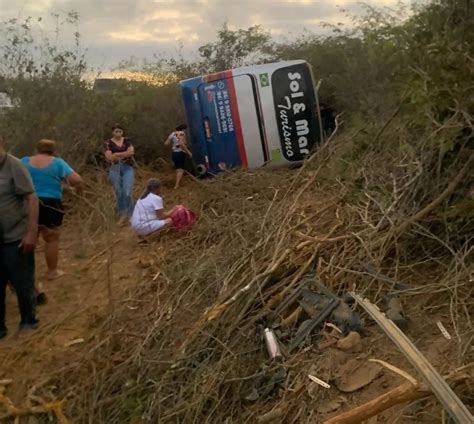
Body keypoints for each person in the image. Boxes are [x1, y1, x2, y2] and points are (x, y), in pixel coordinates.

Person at [21, 140, 83, 301]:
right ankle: (52, 271)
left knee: (29, 239)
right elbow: (77, 180)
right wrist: (78, 193)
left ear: (36, 149)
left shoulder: (24, 161)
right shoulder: (58, 163)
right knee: (51, 237)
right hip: (51, 203)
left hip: (27, 202)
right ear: (53, 151)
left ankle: (29, 277)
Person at [0, 134, 39, 338]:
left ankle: (28, 321)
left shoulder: (14, 165)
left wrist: (32, 232)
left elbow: (32, 198)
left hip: (15, 236)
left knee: (23, 283)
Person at [104, 125, 135, 218]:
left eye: (120, 131)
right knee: (118, 191)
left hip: (127, 167)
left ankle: (131, 214)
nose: (118, 133)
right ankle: (122, 214)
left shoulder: (127, 141)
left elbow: (131, 152)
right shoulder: (107, 143)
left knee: (127, 190)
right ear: (112, 132)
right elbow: (109, 157)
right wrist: (124, 154)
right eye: (116, 131)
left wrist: (116, 154)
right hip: (114, 168)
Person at [164, 124, 192, 189]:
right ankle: (176, 185)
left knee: (178, 169)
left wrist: (174, 144)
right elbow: (181, 144)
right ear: (183, 129)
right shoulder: (182, 133)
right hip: (180, 153)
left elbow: (166, 143)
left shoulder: (173, 134)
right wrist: (189, 152)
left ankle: (177, 183)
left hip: (174, 153)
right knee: (181, 170)